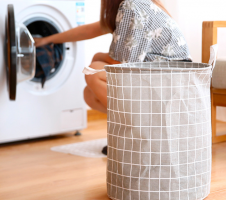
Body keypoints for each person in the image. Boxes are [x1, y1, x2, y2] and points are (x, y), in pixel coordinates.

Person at [34, 0, 191, 115]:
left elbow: (124, 65)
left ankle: (137, 131)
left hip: (170, 83)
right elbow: (87, 30)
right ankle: (128, 133)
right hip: (167, 79)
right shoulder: (135, 5)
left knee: (93, 71)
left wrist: (97, 56)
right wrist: (46, 40)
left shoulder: (131, 5)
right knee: (89, 95)